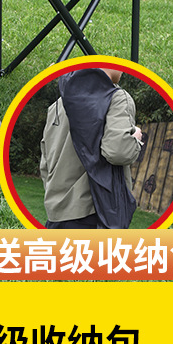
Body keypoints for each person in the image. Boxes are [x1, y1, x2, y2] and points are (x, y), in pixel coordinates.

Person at [39, 67, 144, 229]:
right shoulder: (116, 97)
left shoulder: (58, 104)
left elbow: (45, 162)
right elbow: (118, 151)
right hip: (95, 213)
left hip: (56, 215)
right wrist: (135, 138)